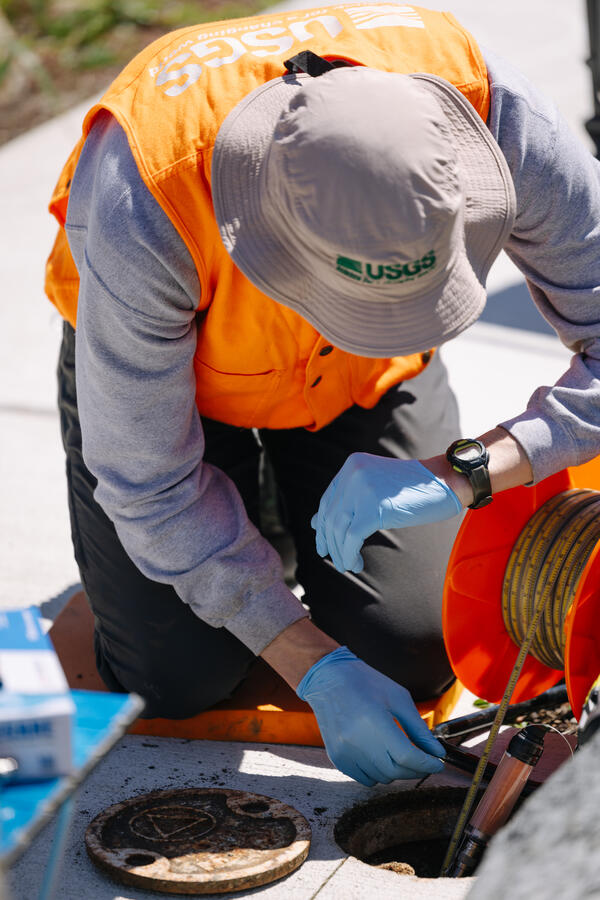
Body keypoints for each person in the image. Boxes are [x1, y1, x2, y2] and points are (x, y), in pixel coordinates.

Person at [45, 4, 600, 788]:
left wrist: (467, 470)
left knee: (412, 647)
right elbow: (148, 484)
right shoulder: (148, 189)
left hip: (363, 386)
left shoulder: (493, 113)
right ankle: (250, 509)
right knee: (177, 676)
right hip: (187, 394)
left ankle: (264, 519)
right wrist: (314, 666)